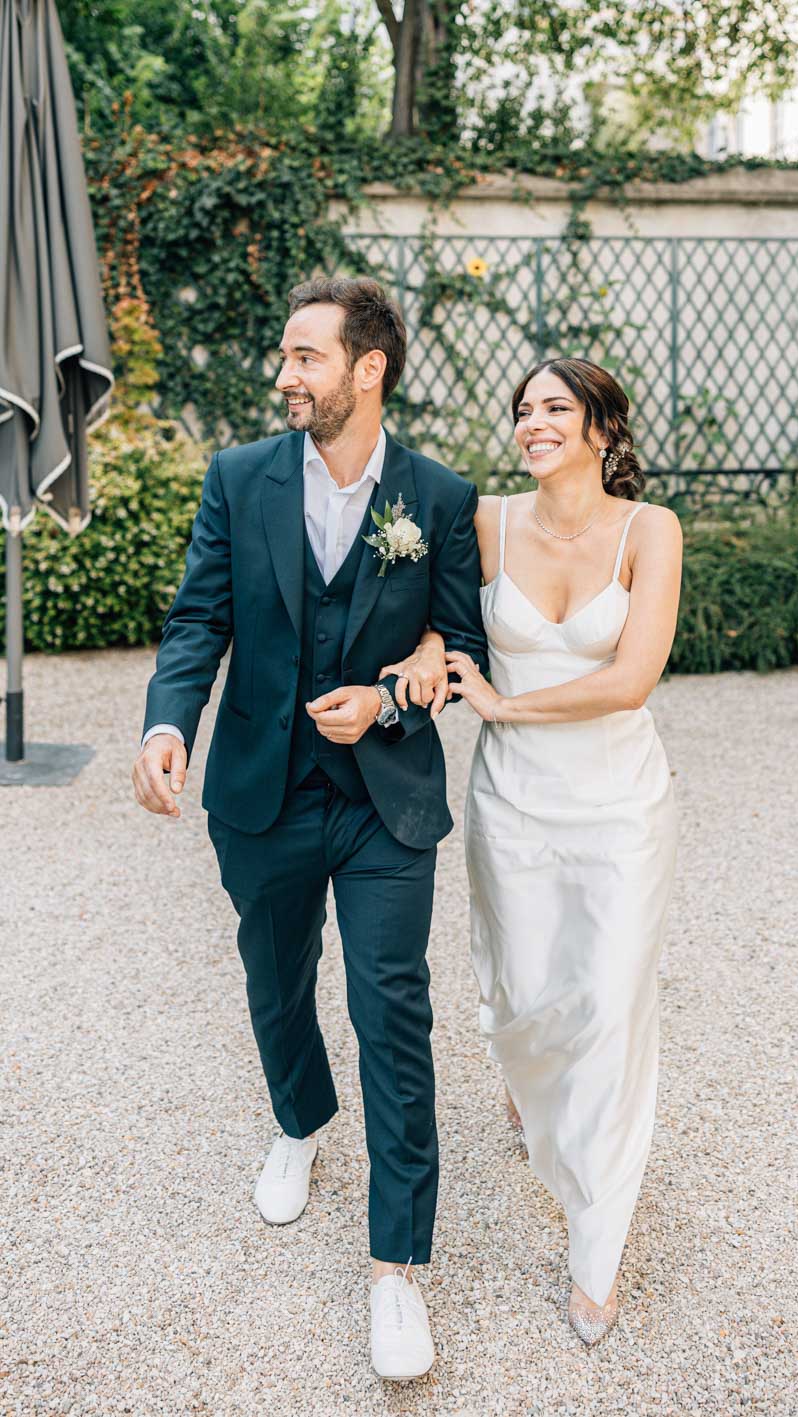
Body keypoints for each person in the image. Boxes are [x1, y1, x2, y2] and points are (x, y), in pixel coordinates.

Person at [131, 276, 487, 1382]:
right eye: (286, 356)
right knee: (277, 978)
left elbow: (462, 649)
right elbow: (200, 618)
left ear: (367, 369)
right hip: (263, 790)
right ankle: (298, 1118)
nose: (284, 374)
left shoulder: (436, 494)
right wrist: (165, 723)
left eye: (304, 356)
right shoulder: (239, 478)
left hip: (386, 799)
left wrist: (387, 699)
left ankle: (398, 1269)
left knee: (392, 1007)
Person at [390, 357, 681, 1345]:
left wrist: (507, 702)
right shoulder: (488, 521)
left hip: (619, 807)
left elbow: (632, 675)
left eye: (557, 407)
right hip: (512, 803)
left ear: (604, 427)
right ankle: (529, 1086)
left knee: (608, 1002)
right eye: (523, 409)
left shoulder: (652, 531)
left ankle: (596, 1247)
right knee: (518, 994)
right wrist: (431, 653)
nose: (533, 422)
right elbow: (432, 610)